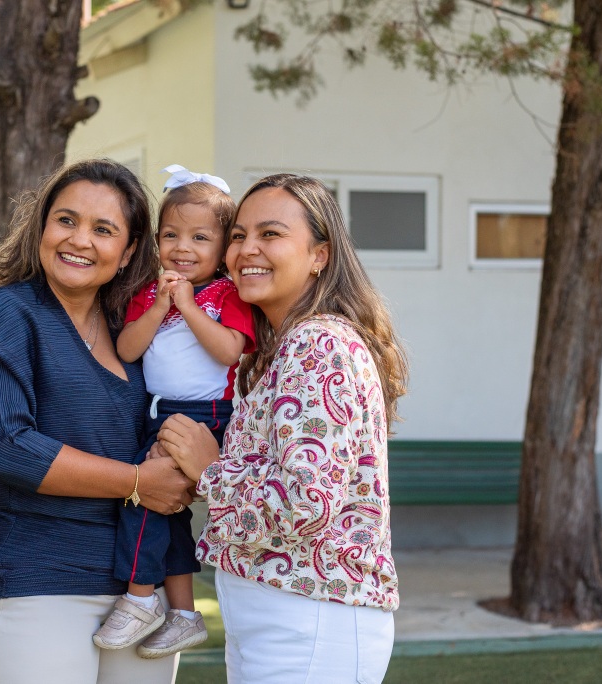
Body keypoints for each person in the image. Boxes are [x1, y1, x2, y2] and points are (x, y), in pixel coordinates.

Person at [0, 159, 195, 684]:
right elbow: (6, 445)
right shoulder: (7, 313)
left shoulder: (136, 333)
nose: (80, 240)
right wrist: (141, 482)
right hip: (34, 578)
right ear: (42, 229)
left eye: (104, 229)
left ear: (130, 251)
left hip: (142, 587)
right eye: (66, 220)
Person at [157, 174, 409, 683]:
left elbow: (306, 504)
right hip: (281, 613)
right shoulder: (280, 348)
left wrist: (210, 468)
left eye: (270, 235)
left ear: (320, 254)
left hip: (311, 617)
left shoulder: (318, 345)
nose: (246, 250)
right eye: (238, 235)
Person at [93, 165, 255, 658]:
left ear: (224, 247)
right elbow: (126, 348)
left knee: (142, 498)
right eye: (171, 235)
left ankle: (141, 598)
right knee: (169, 512)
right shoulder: (151, 291)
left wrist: (187, 306)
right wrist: (161, 306)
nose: (182, 248)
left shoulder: (226, 293)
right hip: (157, 412)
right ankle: (184, 613)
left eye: (200, 237)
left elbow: (230, 351)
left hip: (202, 414)